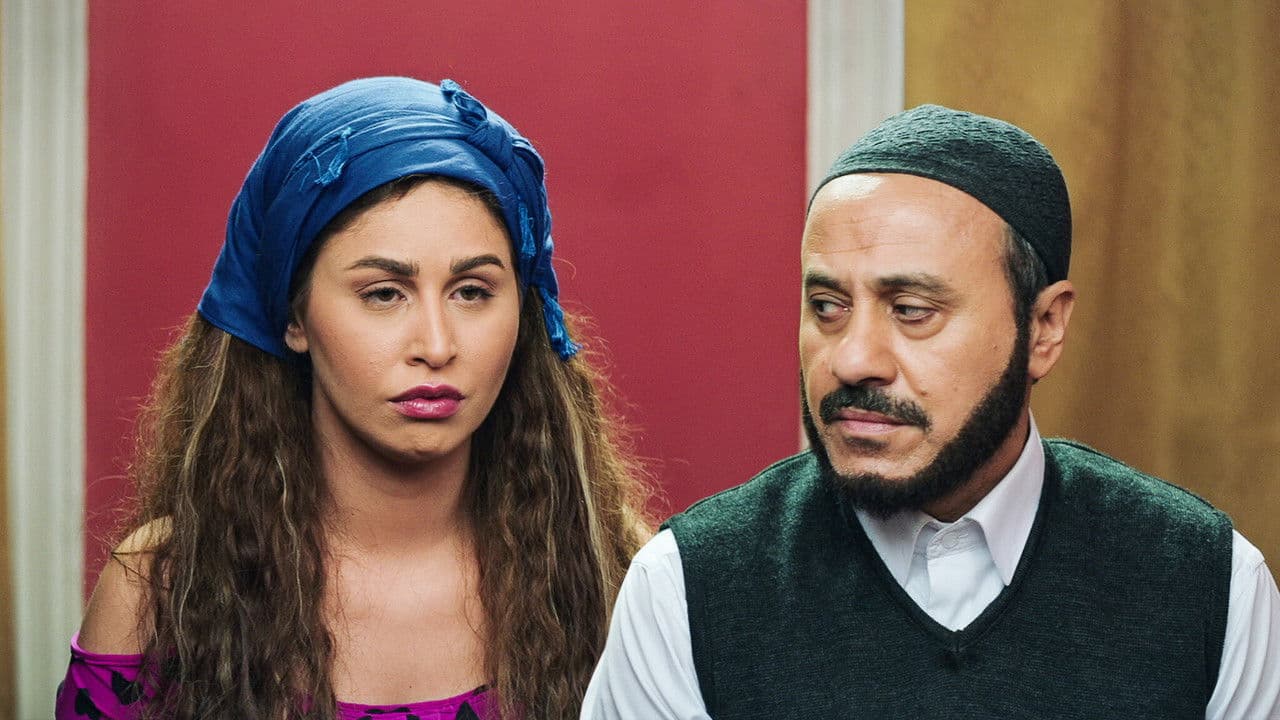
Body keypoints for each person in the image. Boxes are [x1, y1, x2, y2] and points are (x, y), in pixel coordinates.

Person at [581, 105, 1280, 718]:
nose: (853, 360)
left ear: (1044, 328)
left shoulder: (1210, 586)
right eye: (827, 307)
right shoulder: (687, 590)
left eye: (912, 310)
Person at [57, 77, 650, 720]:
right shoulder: (161, 589)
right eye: (384, 293)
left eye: (472, 292)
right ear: (294, 316)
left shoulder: (613, 571)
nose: (436, 345)